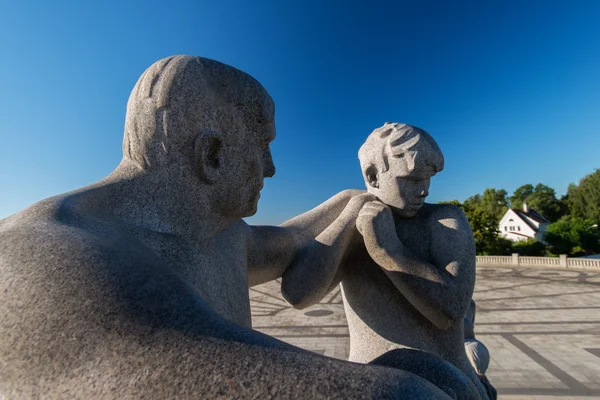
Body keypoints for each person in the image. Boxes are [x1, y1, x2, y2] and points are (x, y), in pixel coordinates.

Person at [0, 56, 458, 398]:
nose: (272, 169)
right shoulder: (48, 254)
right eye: (263, 149)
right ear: (213, 156)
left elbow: (291, 242)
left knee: (432, 373)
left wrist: (349, 201)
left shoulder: (216, 234)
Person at [282, 122, 490, 399]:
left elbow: (450, 312)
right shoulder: (354, 224)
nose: (424, 189)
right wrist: (349, 217)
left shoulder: (444, 221)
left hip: (449, 388)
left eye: (428, 179)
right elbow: (297, 294)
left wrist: (389, 252)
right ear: (373, 175)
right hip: (370, 386)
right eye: (412, 179)